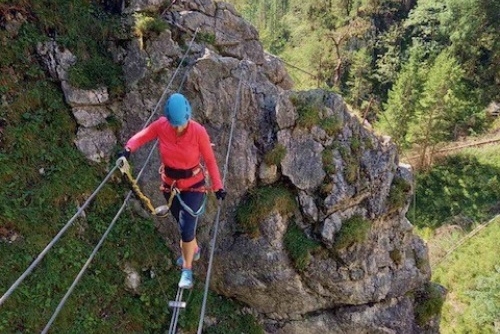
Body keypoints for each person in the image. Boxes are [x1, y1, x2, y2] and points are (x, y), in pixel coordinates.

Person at [119, 93, 226, 289]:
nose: (178, 128)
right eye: (174, 124)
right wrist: (128, 149)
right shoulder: (161, 126)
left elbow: (210, 160)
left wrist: (218, 186)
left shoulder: (198, 131)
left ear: (188, 118)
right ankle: (193, 249)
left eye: (181, 124)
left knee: (186, 229)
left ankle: (187, 270)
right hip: (170, 187)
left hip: (194, 186)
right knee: (182, 224)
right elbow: (142, 136)